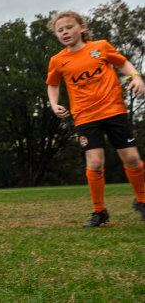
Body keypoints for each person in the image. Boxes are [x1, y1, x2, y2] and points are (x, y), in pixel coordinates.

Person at [46, 11, 145, 227]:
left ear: (82, 27)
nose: (65, 32)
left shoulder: (100, 47)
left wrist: (136, 77)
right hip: (85, 117)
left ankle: (142, 200)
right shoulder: (58, 60)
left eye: (69, 27)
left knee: (131, 158)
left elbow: (123, 64)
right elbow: (53, 84)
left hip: (114, 110)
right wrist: (54, 104)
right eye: (60, 30)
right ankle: (99, 212)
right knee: (95, 162)